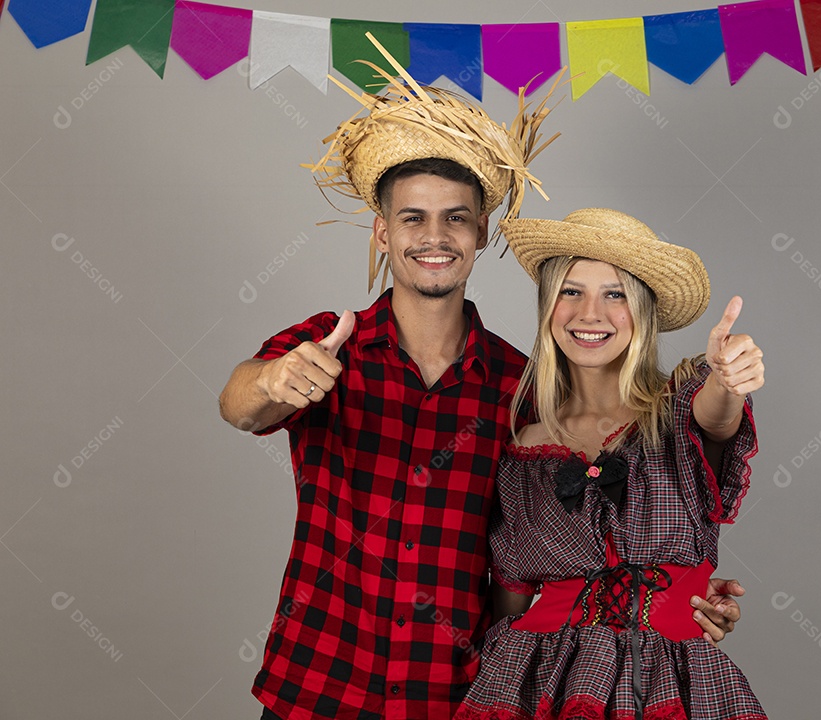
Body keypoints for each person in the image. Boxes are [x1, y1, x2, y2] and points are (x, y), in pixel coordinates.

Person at [218, 40, 739, 720]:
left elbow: (565, 541)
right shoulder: (325, 347)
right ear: (382, 232)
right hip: (319, 681)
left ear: (481, 230)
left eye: (454, 218)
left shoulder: (523, 387)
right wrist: (274, 383)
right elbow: (240, 404)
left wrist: (675, 595)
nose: (433, 236)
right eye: (412, 218)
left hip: (457, 694)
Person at [454, 208, 768, 720]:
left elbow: (718, 416)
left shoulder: (680, 412)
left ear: (642, 310)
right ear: (548, 304)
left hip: (674, 679)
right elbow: (506, 606)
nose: (590, 313)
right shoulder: (521, 453)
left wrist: (727, 381)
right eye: (571, 291)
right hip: (541, 682)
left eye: (615, 294)